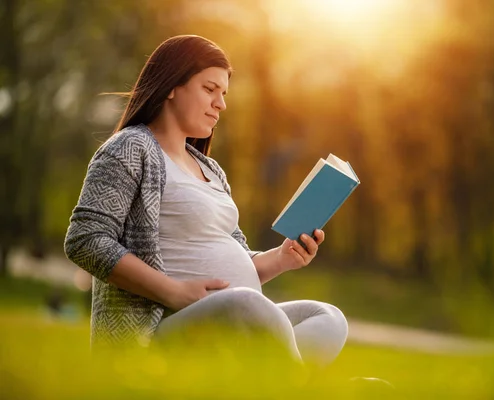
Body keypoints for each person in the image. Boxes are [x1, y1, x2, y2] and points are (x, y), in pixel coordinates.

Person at [64, 35, 348, 368]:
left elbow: (233, 260)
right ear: (172, 86)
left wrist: (282, 258)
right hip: (161, 329)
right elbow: (85, 240)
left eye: (223, 94)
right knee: (249, 305)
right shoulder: (129, 149)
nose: (221, 104)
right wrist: (172, 292)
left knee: (327, 316)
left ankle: (272, 385)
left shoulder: (209, 168)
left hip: (233, 319)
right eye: (209, 89)